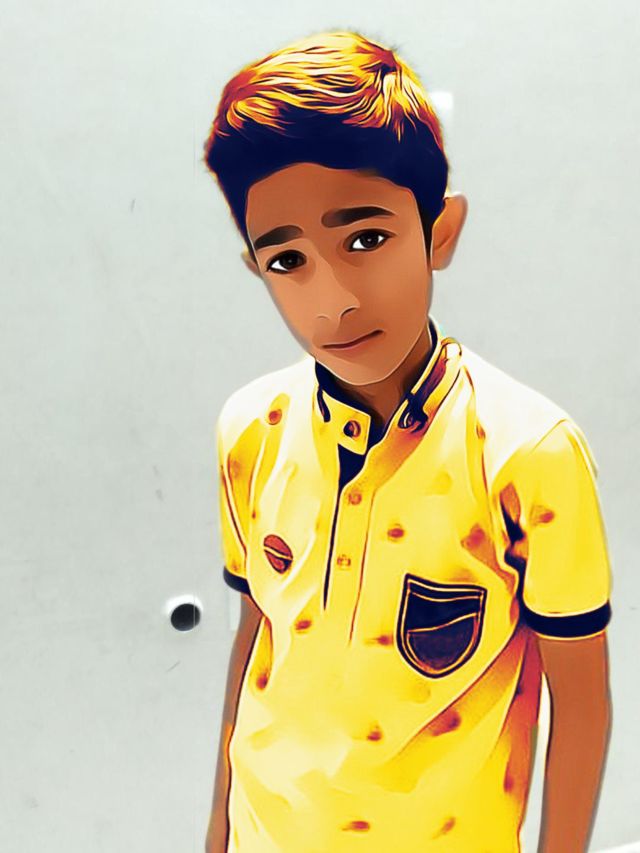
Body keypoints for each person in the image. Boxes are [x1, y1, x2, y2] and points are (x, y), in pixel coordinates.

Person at [202, 30, 613, 853]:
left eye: (365, 239)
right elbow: (256, 642)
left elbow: (581, 703)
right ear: (256, 267)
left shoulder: (529, 452)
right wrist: (217, 834)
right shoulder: (250, 427)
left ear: (440, 230)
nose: (333, 301)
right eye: (288, 260)